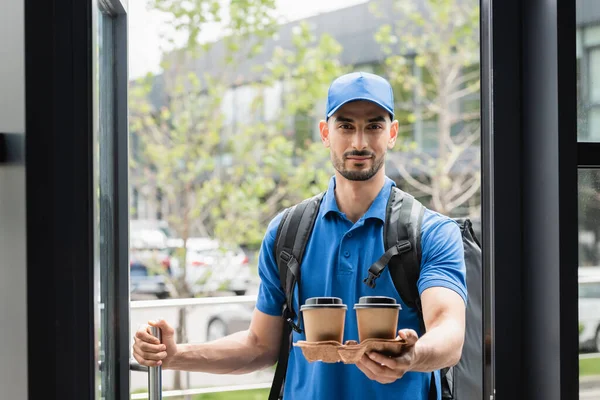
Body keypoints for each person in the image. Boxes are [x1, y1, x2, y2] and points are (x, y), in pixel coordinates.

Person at [133, 71, 467, 400]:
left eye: (374, 126)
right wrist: (174, 355)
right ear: (325, 133)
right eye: (346, 125)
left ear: (392, 133)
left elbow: (449, 333)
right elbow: (259, 346)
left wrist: (414, 355)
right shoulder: (287, 233)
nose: (359, 142)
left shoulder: (431, 232)